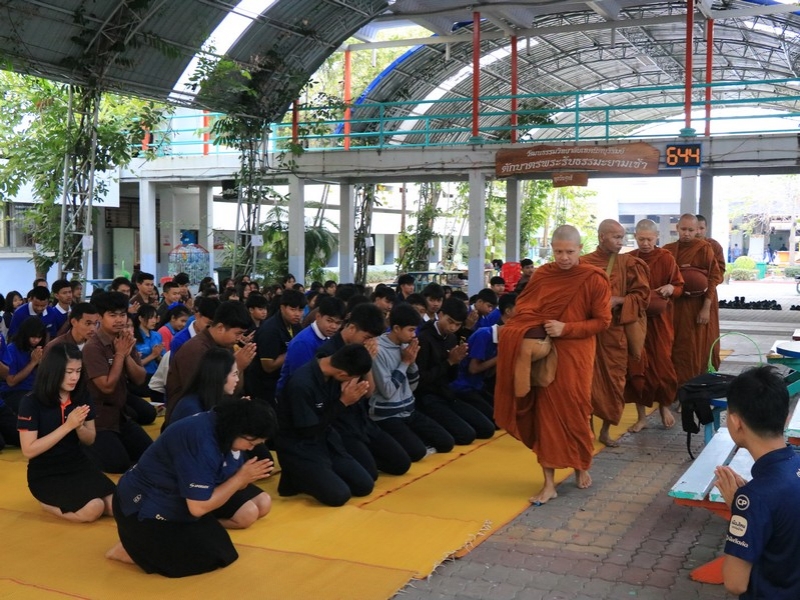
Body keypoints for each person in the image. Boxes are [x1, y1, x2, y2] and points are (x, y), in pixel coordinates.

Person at [494, 225, 611, 505]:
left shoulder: (593, 278)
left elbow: (602, 321)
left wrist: (566, 328)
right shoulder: (544, 275)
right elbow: (524, 309)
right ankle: (548, 483)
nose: (564, 258)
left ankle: (580, 465)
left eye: (569, 252)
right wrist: (532, 327)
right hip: (545, 352)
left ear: (580, 249)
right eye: (558, 252)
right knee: (546, 416)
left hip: (576, 355)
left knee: (576, 411)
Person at [106, 399, 276, 578]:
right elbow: (198, 508)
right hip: (143, 504)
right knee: (198, 560)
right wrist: (240, 479)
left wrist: (242, 479)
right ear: (237, 430)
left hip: (177, 496)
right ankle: (131, 550)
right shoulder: (201, 441)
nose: (252, 448)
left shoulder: (221, 424)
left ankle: (140, 543)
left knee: (222, 549)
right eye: (251, 442)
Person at [713, 366, 800, 598]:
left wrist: (740, 511)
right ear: (786, 418)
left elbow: (735, 583)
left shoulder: (754, 497)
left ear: (736, 422)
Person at [17, 343, 115, 522]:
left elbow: (90, 439)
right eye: (69, 372)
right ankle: (46, 502)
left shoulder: (81, 396)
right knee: (94, 508)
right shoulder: (32, 401)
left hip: (77, 464)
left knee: (116, 505)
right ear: (54, 371)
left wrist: (79, 427)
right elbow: (29, 450)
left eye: (78, 371)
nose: (74, 377)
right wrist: (68, 426)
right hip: (46, 473)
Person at [276, 344, 375, 506]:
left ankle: (320, 474)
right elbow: (308, 430)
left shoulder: (331, 373)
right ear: (343, 374)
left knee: (364, 485)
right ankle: (295, 477)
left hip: (326, 439)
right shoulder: (302, 384)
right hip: (300, 445)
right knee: (339, 496)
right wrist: (343, 402)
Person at [582, 219, 650, 447]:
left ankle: (605, 431)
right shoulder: (584, 263)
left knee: (614, 383)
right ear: (602, 237)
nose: (621, 242)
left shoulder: (628, 263)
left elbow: (642, 297)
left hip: (614, 334)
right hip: (588, 334)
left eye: (622, 237)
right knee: (586, 385)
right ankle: (588, 432)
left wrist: (618, 300)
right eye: (616, 237)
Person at [370, 303, 454, 462]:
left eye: (415, 330)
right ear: (396, 328)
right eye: (410, 330)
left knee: (446, 442)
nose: (414, 335)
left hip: (408, 410)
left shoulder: (405, 346)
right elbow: (387, 391)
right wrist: (405, 363)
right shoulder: (378, 349)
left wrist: (412, 362)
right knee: (417, 453)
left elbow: (413, 386)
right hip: (387, 414)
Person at [82, 292, 153, 473]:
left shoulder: (124, 340)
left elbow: (140, 379)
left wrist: (126, 354)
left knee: (151, 455)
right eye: (112, 315)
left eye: (122, 315)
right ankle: (81, 445)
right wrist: (120, 354)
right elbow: (106, 387)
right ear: (100, 317)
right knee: (118, 465)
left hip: (120, 415)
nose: (119, 320)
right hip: (98, 418)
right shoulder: (93, 347)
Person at [626, 219, 684, 432]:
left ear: (657, 237)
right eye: (641, 239)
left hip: (660, 322)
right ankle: (641, 417)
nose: (645, 243)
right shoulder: (629, 260)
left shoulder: (665, 258)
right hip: (636, 321)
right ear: (635, 237)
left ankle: (664, 407)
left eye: (649, 239)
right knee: (637, 368)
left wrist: (670, 288)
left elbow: (679, 286)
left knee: (662, 366)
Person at [415, 297, 495, 445]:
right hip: (428, 396)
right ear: (440, 314)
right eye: (450, 321)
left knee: (487, 429)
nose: (452, 328)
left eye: (457, 325)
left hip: (447, 393)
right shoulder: (424, 338)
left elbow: (451, 377)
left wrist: (456, 363)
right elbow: (421, 379)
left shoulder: (451, 338)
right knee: (466, 436)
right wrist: (449, 362)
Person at [165, 301, 256, 426]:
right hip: (189, 420)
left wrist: (238, 369)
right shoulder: (196, 350)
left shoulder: (226, 347)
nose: (239, 338)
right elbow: (205, 394)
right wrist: (237, 366)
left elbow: (232, 390)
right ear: (220, 328)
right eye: (238, 333)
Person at [663, 214, 723, 386]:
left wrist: (706, 307)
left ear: (697, 230)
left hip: (699, 303)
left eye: (691, 230)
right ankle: (677, 385)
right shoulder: (668, 250)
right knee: (678, 344)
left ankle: (697, 384)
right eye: (683, 229)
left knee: (698, 344)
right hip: (677, 303)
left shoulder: (705, 248)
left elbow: (714, 277)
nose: (686, 233)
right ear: (677, 228)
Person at [246, 289, 305, 409]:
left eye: (300, 310)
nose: (297, 314)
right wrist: (294, 351)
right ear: (282, 308)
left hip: (283, 382)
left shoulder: (295, 325)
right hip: (265, 387)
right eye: (293, 309)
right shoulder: (270, 330)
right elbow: (268, 366)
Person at [275, 295, 345, 395]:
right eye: (329, 321)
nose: (334, 326)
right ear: (318, 317)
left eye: (338, 323)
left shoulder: (328, 336)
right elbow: (300, 380)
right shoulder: (303, 343)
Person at [696, 214, 725, 372]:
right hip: (684, 299)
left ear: (706, 229)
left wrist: (701, 278)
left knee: (709, 335)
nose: (698, 232)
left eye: (701, 228)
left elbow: (718, 274)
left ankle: (708, 369)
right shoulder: (677, 248)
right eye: (694, 229)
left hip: (708, 295)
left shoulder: (713, 246)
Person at [1, 316, 47, 413]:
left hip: (34, 389)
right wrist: (32, 363)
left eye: (39, 337)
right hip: (13, 392)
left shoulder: (38, 349)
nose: (36, 340)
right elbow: (11, 382)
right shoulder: (12, 349)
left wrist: (41, 363)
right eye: (33, 337)